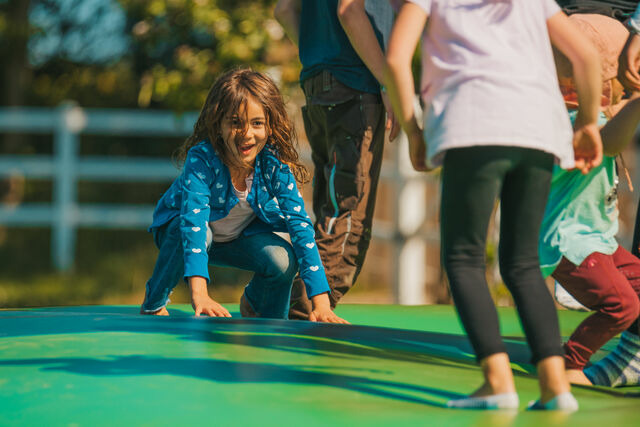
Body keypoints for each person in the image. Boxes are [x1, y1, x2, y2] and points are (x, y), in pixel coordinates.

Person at [384, 0, 602, 411]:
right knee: (521, 264)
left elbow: (396, 59)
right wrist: (589, 122)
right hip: (538, 127)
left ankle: (497, 382)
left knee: (463, 257)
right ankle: (556, 387)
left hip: (473, 122)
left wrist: (413, 130)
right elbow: (586, 56)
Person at [140, 68, 347, 324]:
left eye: (257, 123)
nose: (246, 134)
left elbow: (300, 226)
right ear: (218, 125)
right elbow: (193, 226)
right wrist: (200, 294)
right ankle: (154, 303)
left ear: (270, 126)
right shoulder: (202, 159)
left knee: (283, 259)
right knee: (200, 234)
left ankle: (266, 314)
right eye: (235, 122)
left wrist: (321, 303)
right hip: (181, 235)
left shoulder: (274, 166)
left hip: (234, 239)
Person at [274, 0, 399, 320]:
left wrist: (319, 55)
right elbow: (349, 9)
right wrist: (388, 81)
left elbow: (284, 10)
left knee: (329, 209)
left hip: (318, 80)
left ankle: (271, 296)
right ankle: (306, 307)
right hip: (356, 82)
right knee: (348, 211)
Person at [539, 13, 640, 388]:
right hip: (570, 244)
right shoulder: (571, 123)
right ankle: (569, 362)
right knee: (623, 306)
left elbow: (609, 115)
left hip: (596, 240)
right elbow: (608, 140)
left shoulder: (581, 112)